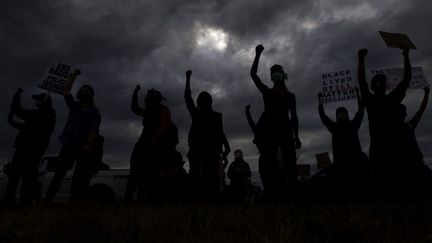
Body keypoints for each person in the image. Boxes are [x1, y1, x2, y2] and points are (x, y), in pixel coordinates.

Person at [250, 44, 301, 200]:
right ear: (271, 76)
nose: (276, 74)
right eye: (273, 72)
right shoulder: (267, 92)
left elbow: (294, 116)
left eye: (278, 71)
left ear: (282, 74)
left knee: (290, 164)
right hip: (271, 131)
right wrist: (258, 54)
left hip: (285, 129)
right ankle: (272, 196)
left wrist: (296, 136)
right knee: (269, 165)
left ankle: (293, 196)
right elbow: (253, 74)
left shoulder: (290, 96)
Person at [357, 48, 412, 194]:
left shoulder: (371, 101)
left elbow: (361, 81)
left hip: (378, 149)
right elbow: (407, 78)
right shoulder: (392, 100)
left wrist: (361, 60)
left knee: (380, 186)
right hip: (393, 148)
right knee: (395, 185)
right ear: (387, 86)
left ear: (372, 87)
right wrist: (406, 56)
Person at [45, 69, 102, 202]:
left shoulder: (94, 111)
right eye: (82, 90)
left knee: (79, 176)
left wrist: (88, 144)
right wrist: (74, 76)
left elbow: (94, 129)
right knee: (59, 174)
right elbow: (66, 91)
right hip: (68, 144)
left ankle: (75, 202)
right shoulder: (74, 106)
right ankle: (48, 200)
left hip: (83, 146)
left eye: (87, 91)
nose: (84, 92)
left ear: (91, 95)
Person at [124, 85, 182, 202]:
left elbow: (165, 125)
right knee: (135, 173)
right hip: (143, 145)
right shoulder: (147, 111)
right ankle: (129, 200)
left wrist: (153, 141)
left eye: (149, 97)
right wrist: (135, 92)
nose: (147, 99)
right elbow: (135, 108)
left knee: (149, 175)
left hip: (153, 147)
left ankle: (146, 200)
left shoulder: (163, 109)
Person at [3, 88, 55, 205]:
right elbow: (24, 125)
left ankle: (23, 202)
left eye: (38, 100)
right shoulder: (36, 116)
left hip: (33, 150)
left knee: (26, 177)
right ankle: (10, 201)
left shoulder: (47, 114)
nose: (35, 102)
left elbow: (19, 111)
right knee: (16, 176)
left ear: (44, 102)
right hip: (24, 148)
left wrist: (17, 95)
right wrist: (12, 119)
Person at [184, 70, 231, 199]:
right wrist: (225, 150)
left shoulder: (198, 115)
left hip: (205, 153)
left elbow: (187, 98)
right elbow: (221, 134)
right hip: (207, 153)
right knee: (209, 181)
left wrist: (188, 78)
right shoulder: (214, 117)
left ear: (199, 103)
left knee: (199, 179)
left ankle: (200, 200)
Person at [318, 88, 370, 197]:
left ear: (347, 114)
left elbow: (360, 111)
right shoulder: (335, 127)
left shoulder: (352, 125)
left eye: (343, 113)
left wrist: (358, 95)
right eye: (340, 113)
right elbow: (323, 117)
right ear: (337, 115)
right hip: (341, 164)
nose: (342, 115)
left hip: (354, 162)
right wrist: (320, 102)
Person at [395, 87, 430, 197]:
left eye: (402, 112)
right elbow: (421, 110)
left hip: (415, 163)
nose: (402, 114)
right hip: (405, 165)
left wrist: (427, 94)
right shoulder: (393, 129)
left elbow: (421, 109)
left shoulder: (409, 126)